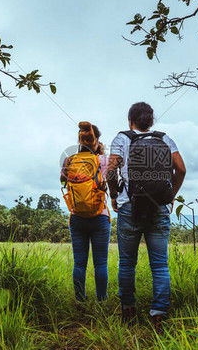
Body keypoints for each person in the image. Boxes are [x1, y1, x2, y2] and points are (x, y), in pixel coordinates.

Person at [106, 102, 186, 326]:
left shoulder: (122, 139)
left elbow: (111, 169)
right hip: (159, 207)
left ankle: (129, 310)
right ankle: (159, 314)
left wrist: (114, 194)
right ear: (151, 121)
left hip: (129, 206)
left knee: (127, 263)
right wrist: (170, 196)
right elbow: (181, 169)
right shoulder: (165, 139)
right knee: (160, 264)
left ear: (130, 120)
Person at [61, 122, 111, 303]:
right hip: (100, 217)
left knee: (79, 263)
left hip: (76, 217)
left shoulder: (69, 160)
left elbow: (62, 179)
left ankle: (80, 300)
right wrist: (102, 153)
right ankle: (101, 301)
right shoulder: (102, 160)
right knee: (101, 264)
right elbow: (107, 178)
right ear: (96, 141)